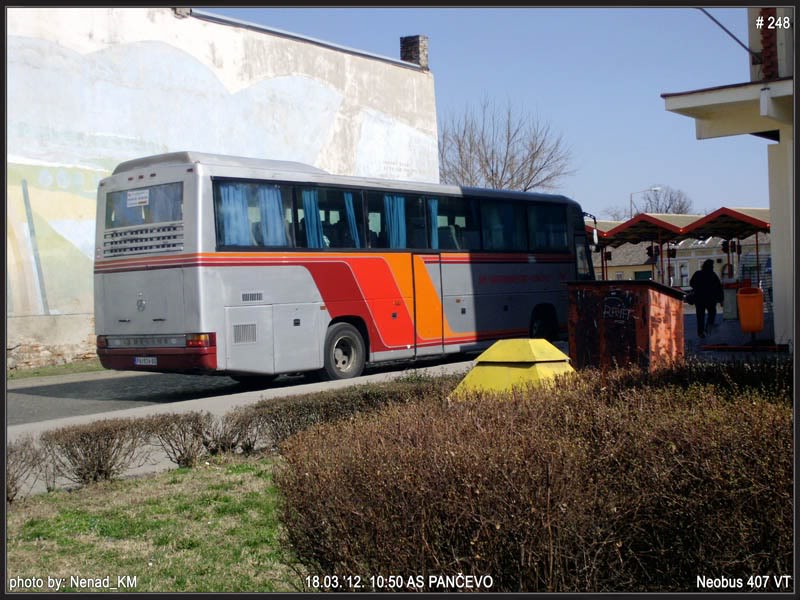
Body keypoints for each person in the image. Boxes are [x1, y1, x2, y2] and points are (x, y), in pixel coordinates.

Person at [689, 259, 724, 338]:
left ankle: (700, 332)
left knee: (700, 316)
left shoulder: (698, 274)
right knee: (712, 313)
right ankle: (708, 327)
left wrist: (698, 288)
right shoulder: (713, 275)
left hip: (699, 299)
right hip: (710, 299)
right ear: (711, 267)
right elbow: (719, 287)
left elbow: (691, 283)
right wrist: (721, 299)